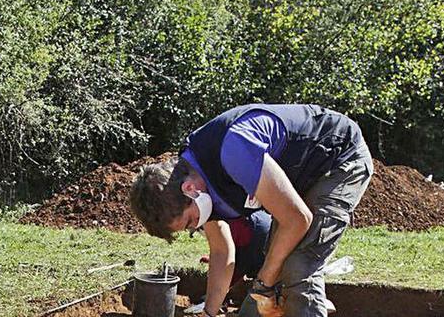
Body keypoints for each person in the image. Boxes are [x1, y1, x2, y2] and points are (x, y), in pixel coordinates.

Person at [130, 104, 373, 317]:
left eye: (190, 222)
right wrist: (209, 312)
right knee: (275, 260)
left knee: (299, 265)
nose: (195, 227)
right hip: (301, 177)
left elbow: (298, 220)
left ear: (189, 189)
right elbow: (221, 251)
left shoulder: (236, 151)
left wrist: (264, 281)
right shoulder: (197, 186)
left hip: (339, 159)